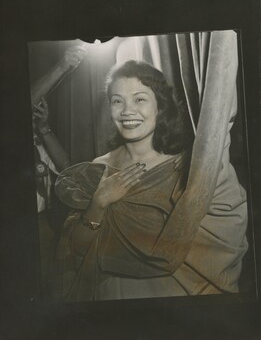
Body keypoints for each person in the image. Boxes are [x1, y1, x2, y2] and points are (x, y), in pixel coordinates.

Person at [53, 60, 248, 301]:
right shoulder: (98, 168)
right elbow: (77, 248)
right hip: (112, 298)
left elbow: (222, 240)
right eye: (117, 101)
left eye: (139, 99)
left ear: (160, 107)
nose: (127, 111)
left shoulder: (190, 170)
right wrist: (99, 203)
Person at [31, 42, 86, 291]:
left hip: (41, 224)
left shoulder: (38, 141)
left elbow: (67, 169)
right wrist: (63, 65)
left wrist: (44, 130)